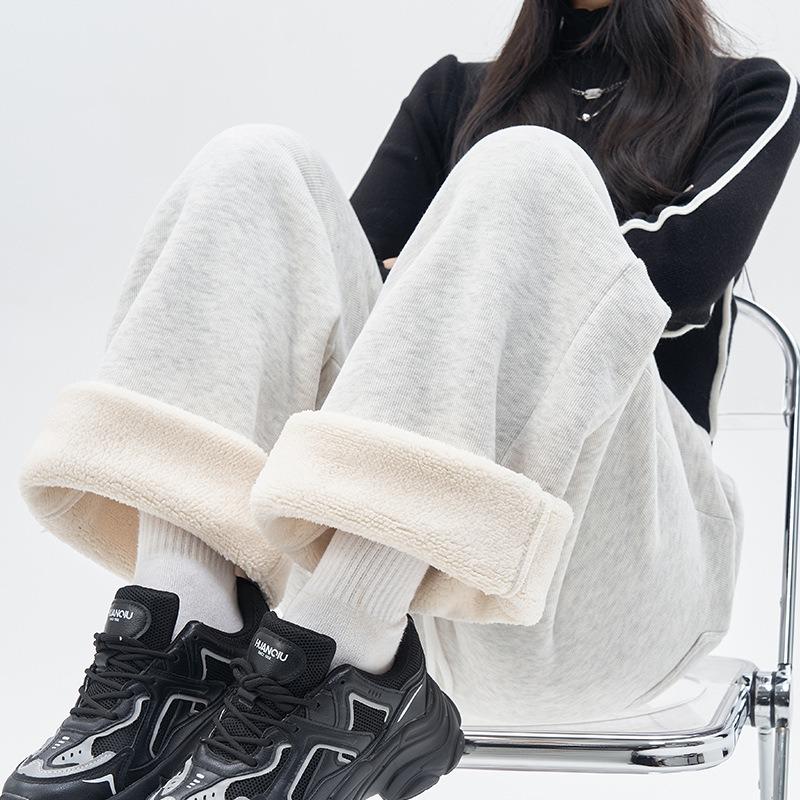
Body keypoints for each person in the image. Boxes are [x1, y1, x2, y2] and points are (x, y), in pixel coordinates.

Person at [5, 0, 800, 798]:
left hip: (615, 591)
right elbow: (344, 301)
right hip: (389, 596)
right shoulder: (454, 93)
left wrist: (503, 241)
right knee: (256, 164)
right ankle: (186, 632)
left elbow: (685, 275)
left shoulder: (747, 92)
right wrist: (477, 263)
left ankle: (344, 645)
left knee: (528, 169)